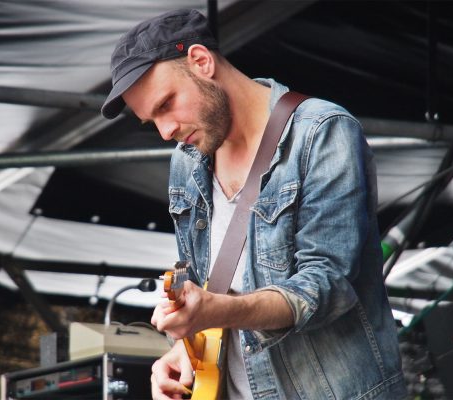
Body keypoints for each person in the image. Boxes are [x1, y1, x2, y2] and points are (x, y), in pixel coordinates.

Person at [101, 9, 407, 400]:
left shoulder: (320, 132)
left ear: (201, 61)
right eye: (151, 122)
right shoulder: (186, 160)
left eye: (165, 105)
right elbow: (205, 289)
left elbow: (327, 287)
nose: (166, 132)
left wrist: (215, 309)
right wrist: (183, 350)